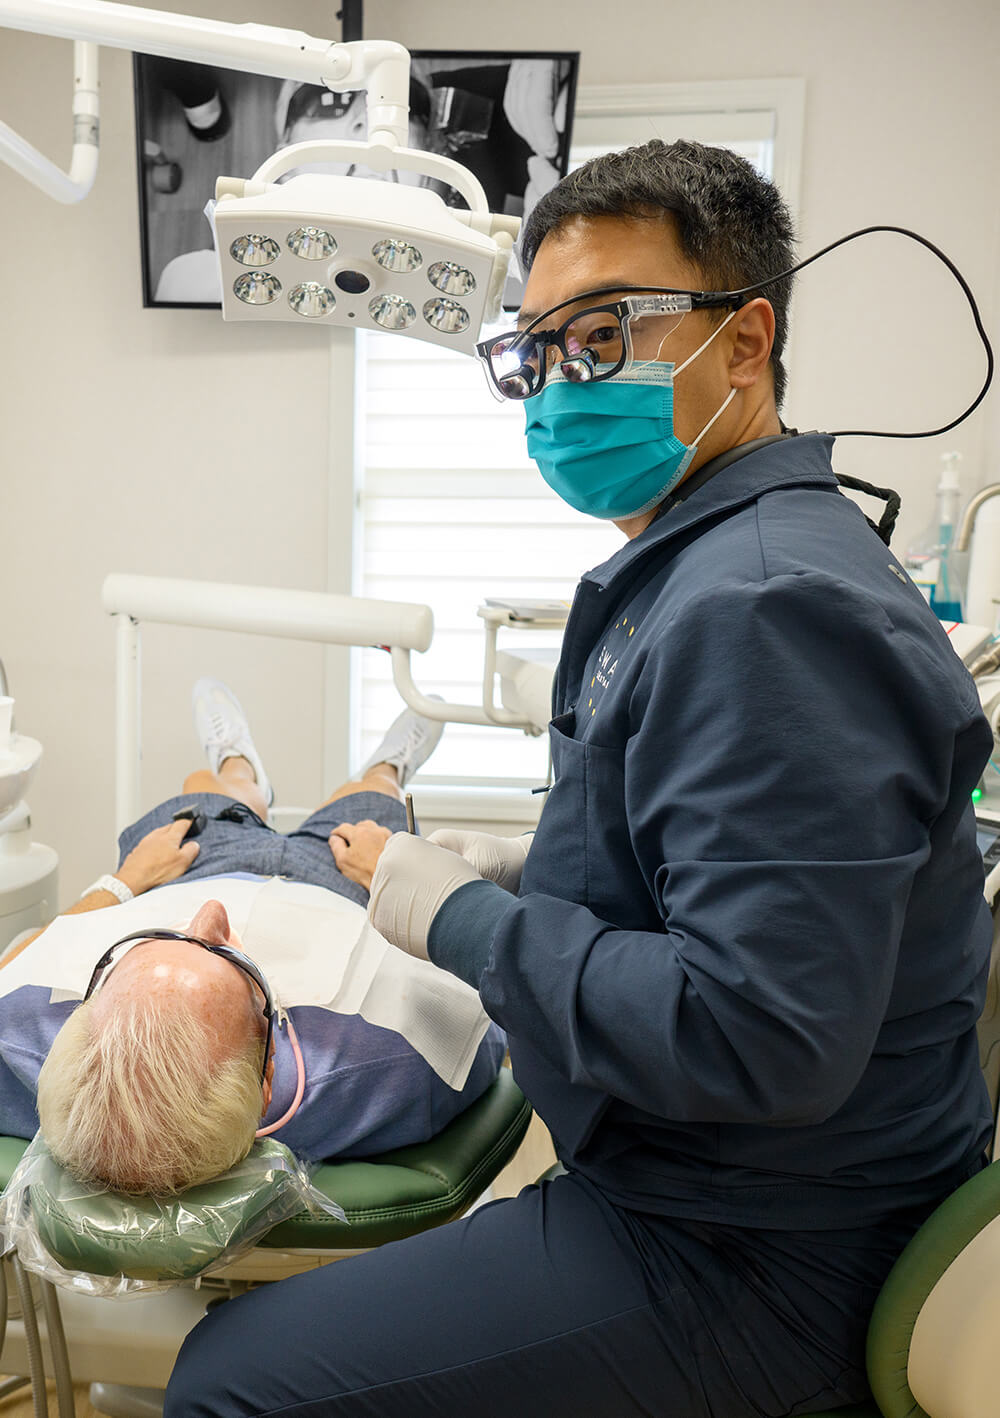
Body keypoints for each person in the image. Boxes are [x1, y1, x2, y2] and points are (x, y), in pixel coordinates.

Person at [165, 140, 995, 1417]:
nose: (560, 382)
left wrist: (456, 912)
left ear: (743, 339)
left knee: (227, 1378)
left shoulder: (765, 605)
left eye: (603, 332)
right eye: (537, 351)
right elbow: (690, 870)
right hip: (715, 1191)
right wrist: (510, 873)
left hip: (756, 1257)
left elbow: (755, 1034)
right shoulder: (713, 562)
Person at [0, 679, 505, 1194]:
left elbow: (22, 956)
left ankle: (239, 767)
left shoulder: (22, 1052)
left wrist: (123, 881)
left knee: (212, 784)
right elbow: (489, 1006)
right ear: (266, 1081)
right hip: (347, 887)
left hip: (183, 871)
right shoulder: (392, 1067)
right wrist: (396, 883)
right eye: (230, 959)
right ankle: (390, 766)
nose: (208, 916)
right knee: (369, 796)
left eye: (157, 942)